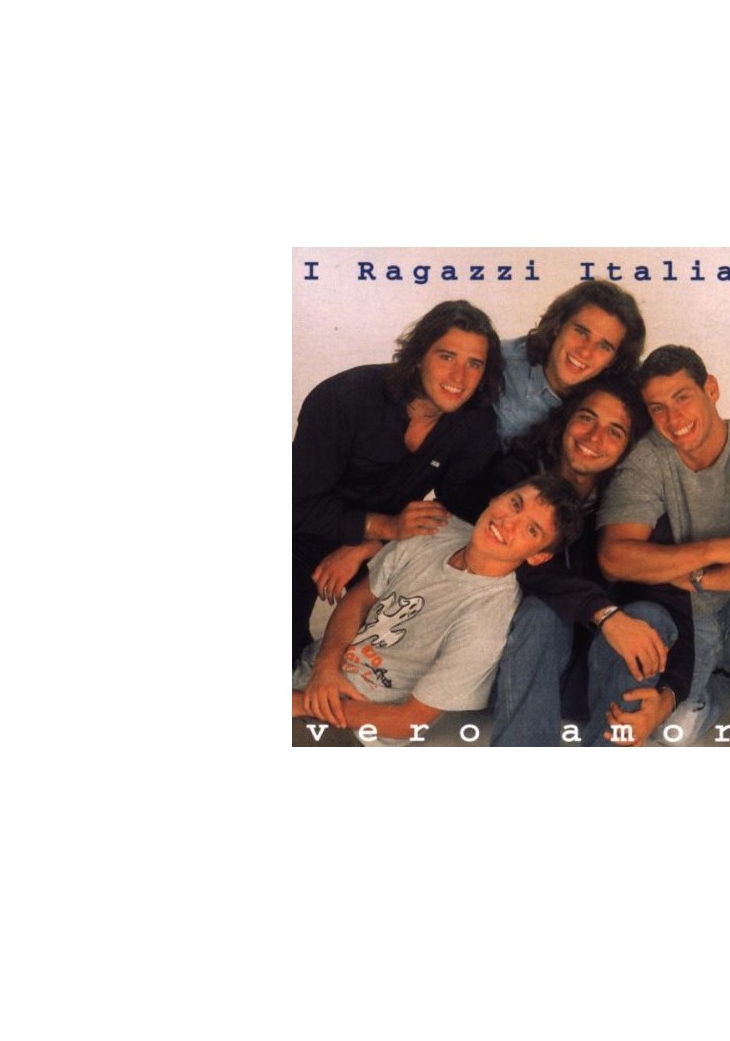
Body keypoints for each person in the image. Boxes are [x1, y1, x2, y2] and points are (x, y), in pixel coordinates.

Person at [471, 374, 696, 746]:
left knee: (650, 616)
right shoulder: (517, 478)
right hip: (517, 671)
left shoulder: (634, 508)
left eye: (614, 431)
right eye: (587, 418)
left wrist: (667, 699)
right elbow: (520, 564)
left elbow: (677, 610)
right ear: (566, 419)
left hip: (600, 680)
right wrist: (604, 613)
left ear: (628, 448)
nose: (594, 437)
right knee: (541, 611)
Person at [590, 344, 730, 747]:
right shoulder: (648, 459)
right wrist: (715, 550)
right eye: (658, 408)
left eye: (682, 397)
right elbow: (614, 557)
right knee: (672, 734)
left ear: (711, 389)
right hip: (688, 621)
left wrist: (703, 579)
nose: (674, 418)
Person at [292, 300, 505, 667]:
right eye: (447, 357)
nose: (459, 377)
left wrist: (371, 543)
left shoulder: (473, 421)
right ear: (419, 355)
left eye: (474, 364)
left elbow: (460, 507)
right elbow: (294, 504)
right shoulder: (344, 398)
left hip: (376, 545)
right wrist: (383, 526)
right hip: (297, 533)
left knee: (385, 655)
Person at [292, 476, 583, 743]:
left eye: (531, 530)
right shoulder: (436, 529)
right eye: (515, 504)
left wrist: (305, 704)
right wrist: (325, 669)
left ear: (538, 557)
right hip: (305, 674)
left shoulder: (486, 623)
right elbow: (359, 599)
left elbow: (409, 721)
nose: (509, 523)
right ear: (498, 497)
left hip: (348, 729)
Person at [495, 279, 646, 445]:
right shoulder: (498, 362)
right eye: (581, 332)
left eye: (604, 346)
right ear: (557, 326)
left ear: (614, 359)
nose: (585, 351)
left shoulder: (627, 389)